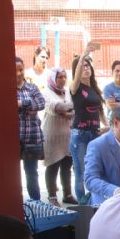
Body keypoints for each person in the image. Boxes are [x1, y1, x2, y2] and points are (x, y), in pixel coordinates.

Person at [69, 43, 108, 204]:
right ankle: (82, 204)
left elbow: (100, 111)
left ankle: (93, 200)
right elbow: (78, 71)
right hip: (80, 133)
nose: (86, 68)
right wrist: (84, 54)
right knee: (80, 171)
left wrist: (107, 126)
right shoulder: (75, 87)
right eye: (83, 66)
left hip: (95, 133)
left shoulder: (94, 89)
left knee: (95, 168)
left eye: (88, 65)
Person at [84, 105, 120, 206]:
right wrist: (116, 191)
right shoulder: (97, 145)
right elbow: (90, 180)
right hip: (107, 201)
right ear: (116, 123)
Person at [42, 67, 77, 206]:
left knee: (66, 166)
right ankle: (52, 197)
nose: (62, 80)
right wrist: (65, 109)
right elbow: (54, 107)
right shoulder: (47, 92)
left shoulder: (67, 91)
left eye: (64, 77)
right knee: (52, 165)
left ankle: (67, 194)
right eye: (59, 77)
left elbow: (70, 108)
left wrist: (65, 109)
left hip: (66, 136)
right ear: (53, 79)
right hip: (52, 137)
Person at [16, 56, 45, 201]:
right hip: (14, 140)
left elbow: (41, 103)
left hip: (32, 139)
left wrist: (21, 103)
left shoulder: (32, 87)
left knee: (31, 174)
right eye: (15, 70)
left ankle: (36, 203)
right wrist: (29, 104)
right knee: (12, 176)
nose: (18, 73)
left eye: (20, 70)